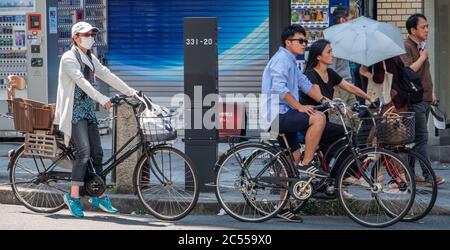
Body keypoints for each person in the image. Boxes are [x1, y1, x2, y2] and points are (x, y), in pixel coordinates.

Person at [54, 21, 138, 218]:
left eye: (92, 34)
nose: (90, 38)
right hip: (73, 112)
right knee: (84, 152)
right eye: (86, 34)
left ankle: (98, 194)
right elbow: (82, 83)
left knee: (98, 153)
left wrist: (132, 92)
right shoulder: (68, 58)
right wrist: (102, 99)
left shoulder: (90, 57)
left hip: (88, 111)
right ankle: (73, 197)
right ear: (75, 38)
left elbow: (107, 75)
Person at [260, 24, 328, 222]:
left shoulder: (292, 61)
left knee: (292, 158)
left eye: (305, 41)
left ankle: (283, 205)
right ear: (288, 42)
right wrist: (299, 107)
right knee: (318, 118)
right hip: (276, 116)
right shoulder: (281, 60)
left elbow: (305, 85)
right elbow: (280, 89)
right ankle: (307, 165)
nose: (304, 44)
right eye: (300, 41)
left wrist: (327, 102)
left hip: (283, 115)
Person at [300, 40, 374, 163]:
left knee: (332, 148)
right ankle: (343, 173)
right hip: (312, 122)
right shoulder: (310, 75)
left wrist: (369, 98)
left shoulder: (330, 73)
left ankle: (331, 175)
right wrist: (339, 105)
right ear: (318, 56)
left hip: (324, 121)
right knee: (347, 133)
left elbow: (349, 87)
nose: (332, 55)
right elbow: (319, 96)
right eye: (329, 52)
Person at [400, 14, 445, 185]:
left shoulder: (421, 46)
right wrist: (422, 57)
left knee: (416, 140)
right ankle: (428, 176)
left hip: (425, 99)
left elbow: (424, 74)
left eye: (427, 26)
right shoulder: (406, 46)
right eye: (423, 27)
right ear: (413, 30)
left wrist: (431, 93)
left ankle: (411, 174)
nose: (427, 30)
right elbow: (408, 71)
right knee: (422, 139)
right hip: (415, 101)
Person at [329, 6, 358, 108]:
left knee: (355, 117)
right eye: (351, 20)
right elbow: (330, 68)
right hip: (340, 86)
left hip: (348, 84)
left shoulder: (343, 38)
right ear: (342, 20)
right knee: (341, 120)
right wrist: (335, 90)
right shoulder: (334, 40)